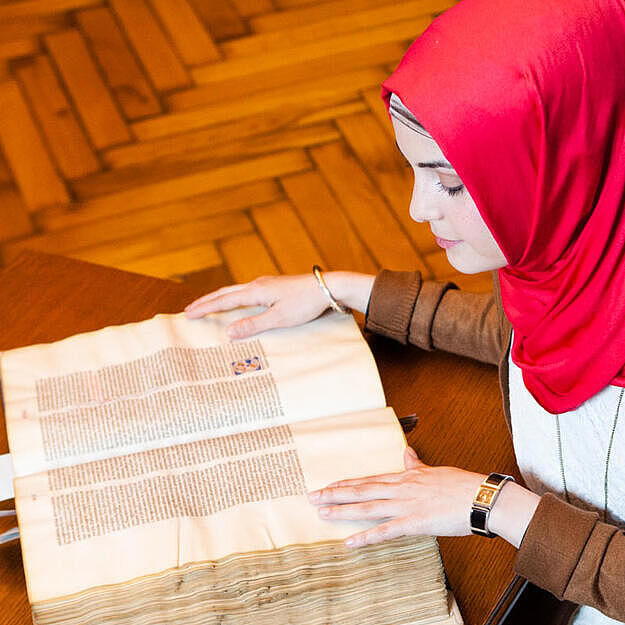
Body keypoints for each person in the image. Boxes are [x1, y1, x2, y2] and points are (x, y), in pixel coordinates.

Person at [185, 0, 625, 622]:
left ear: (560, 162)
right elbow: (511, 335)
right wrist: (340, 289)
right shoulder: (569, 259)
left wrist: (491, 506)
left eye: (449, 183)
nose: (420, 209)